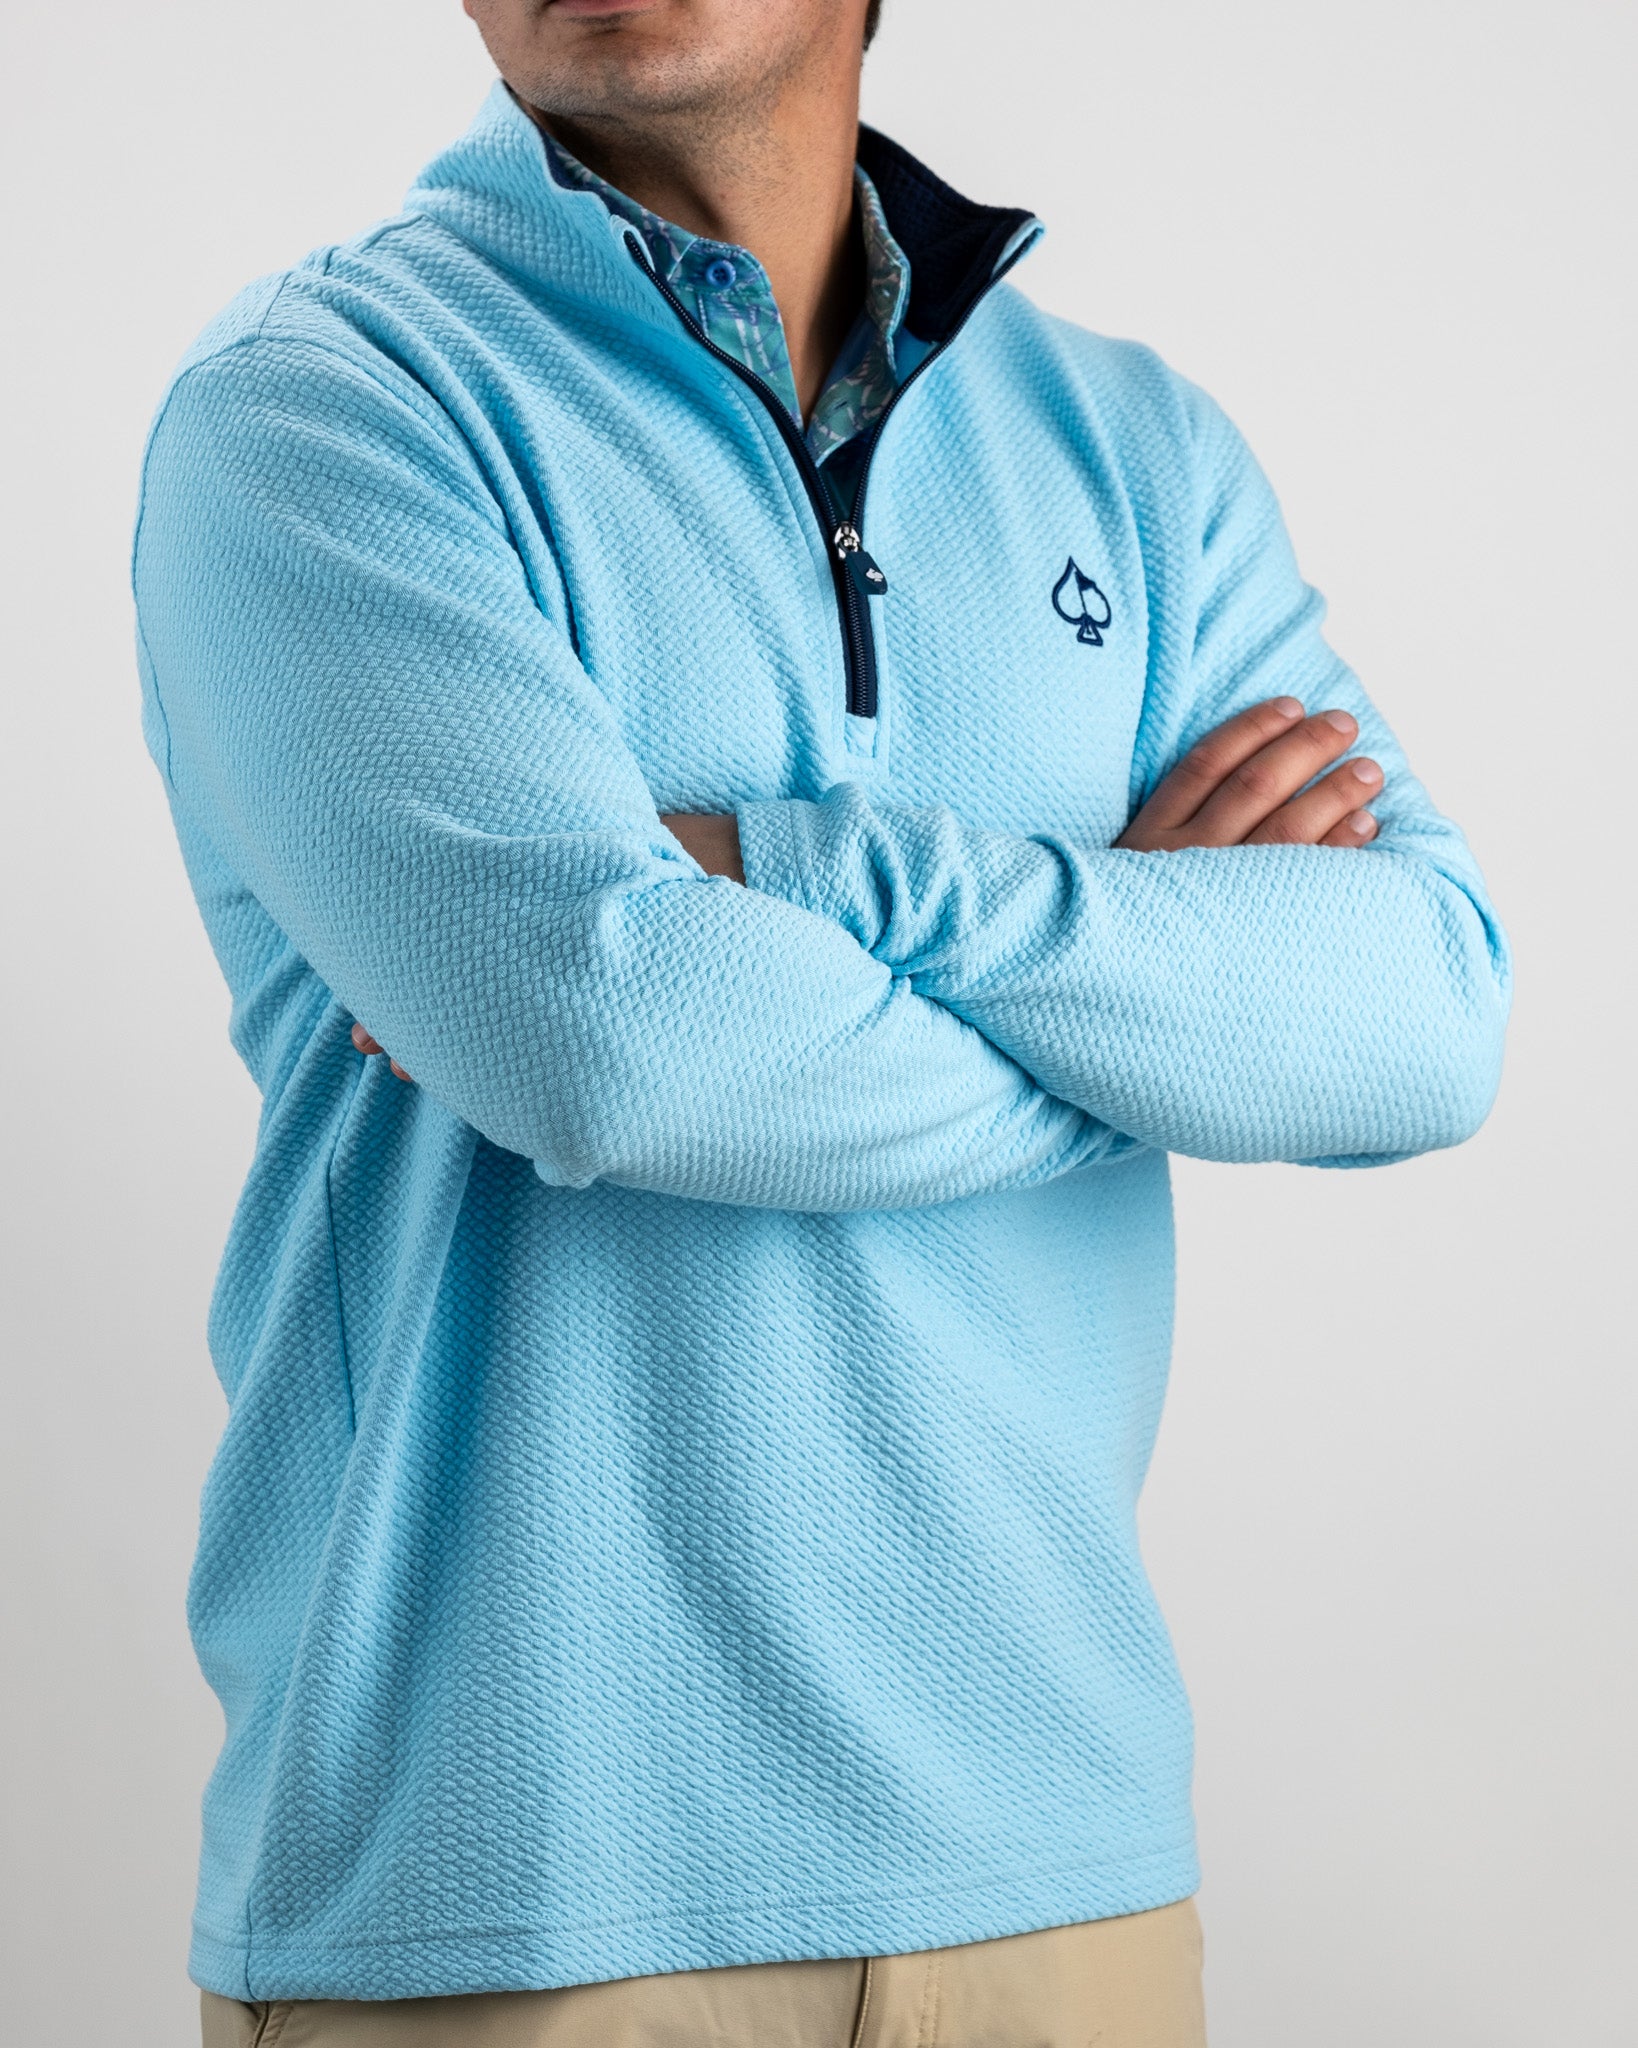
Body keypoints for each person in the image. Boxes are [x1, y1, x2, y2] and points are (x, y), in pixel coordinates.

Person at [132, 0, 1510, 2041]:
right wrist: (1135, 1006)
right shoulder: (322, 406)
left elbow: (1427, 1012)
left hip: (1062, 1879)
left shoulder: (1136, 453)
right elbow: (613, 1050)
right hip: (516, 1892)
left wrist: (775, 871)